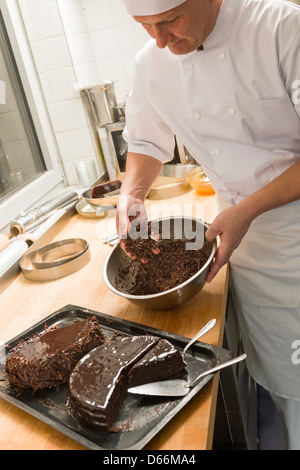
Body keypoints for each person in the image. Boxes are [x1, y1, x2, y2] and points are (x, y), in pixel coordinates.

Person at [116, 0, 300, 449]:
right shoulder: (151, 61)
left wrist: (245, 210)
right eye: (144, 26)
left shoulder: (281, 26)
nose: (159, 40)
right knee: (284, 381)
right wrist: (132, 193)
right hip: (243, 245)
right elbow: (144, 141)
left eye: (169, 21)